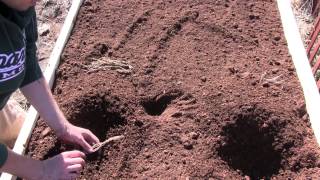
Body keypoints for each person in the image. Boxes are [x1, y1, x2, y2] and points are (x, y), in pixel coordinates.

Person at [0, 0, 100, 179]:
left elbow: (26, 61)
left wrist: (63, 127)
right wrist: (41, 170)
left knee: (22, 136)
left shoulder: (20, 5)